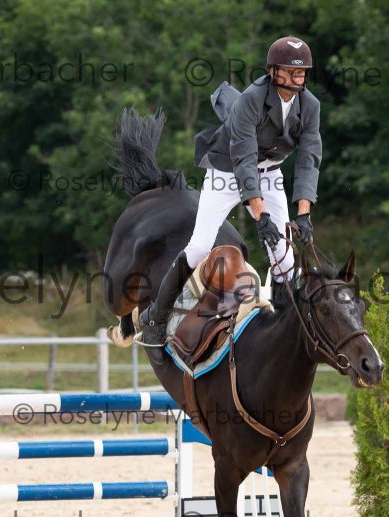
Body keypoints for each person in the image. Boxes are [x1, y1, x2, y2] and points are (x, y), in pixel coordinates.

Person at [138, 35, 322, 346]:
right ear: (273, 71)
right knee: (199, 246)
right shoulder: (251, 99)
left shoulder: (310, 105)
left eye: (300, 73)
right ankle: (156, 315)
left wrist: (304, 214)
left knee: (284, 256)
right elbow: (244, 161)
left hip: (270, 172)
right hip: (228, 170)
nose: (295, 79)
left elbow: (309, 159)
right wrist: (260, 216)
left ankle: (282, 323)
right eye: (289, 72)